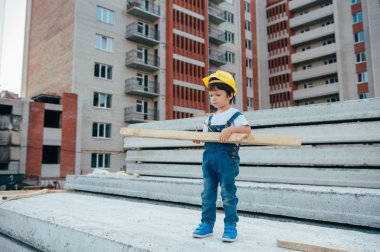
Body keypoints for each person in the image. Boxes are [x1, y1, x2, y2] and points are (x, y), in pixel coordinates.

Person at [192, 70, 251, 242]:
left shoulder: (235, 115)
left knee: (228, 194)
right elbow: (204, 137)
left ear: (230, 94)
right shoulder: (209, 119)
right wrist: (198, 137)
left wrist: (231, 129)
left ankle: (230, 226)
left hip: (226, 162)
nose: (214, 99)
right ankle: (207, 224)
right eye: (211, 95)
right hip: (209, 161)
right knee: (207, 194)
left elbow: (247, 129)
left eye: (218, 94)